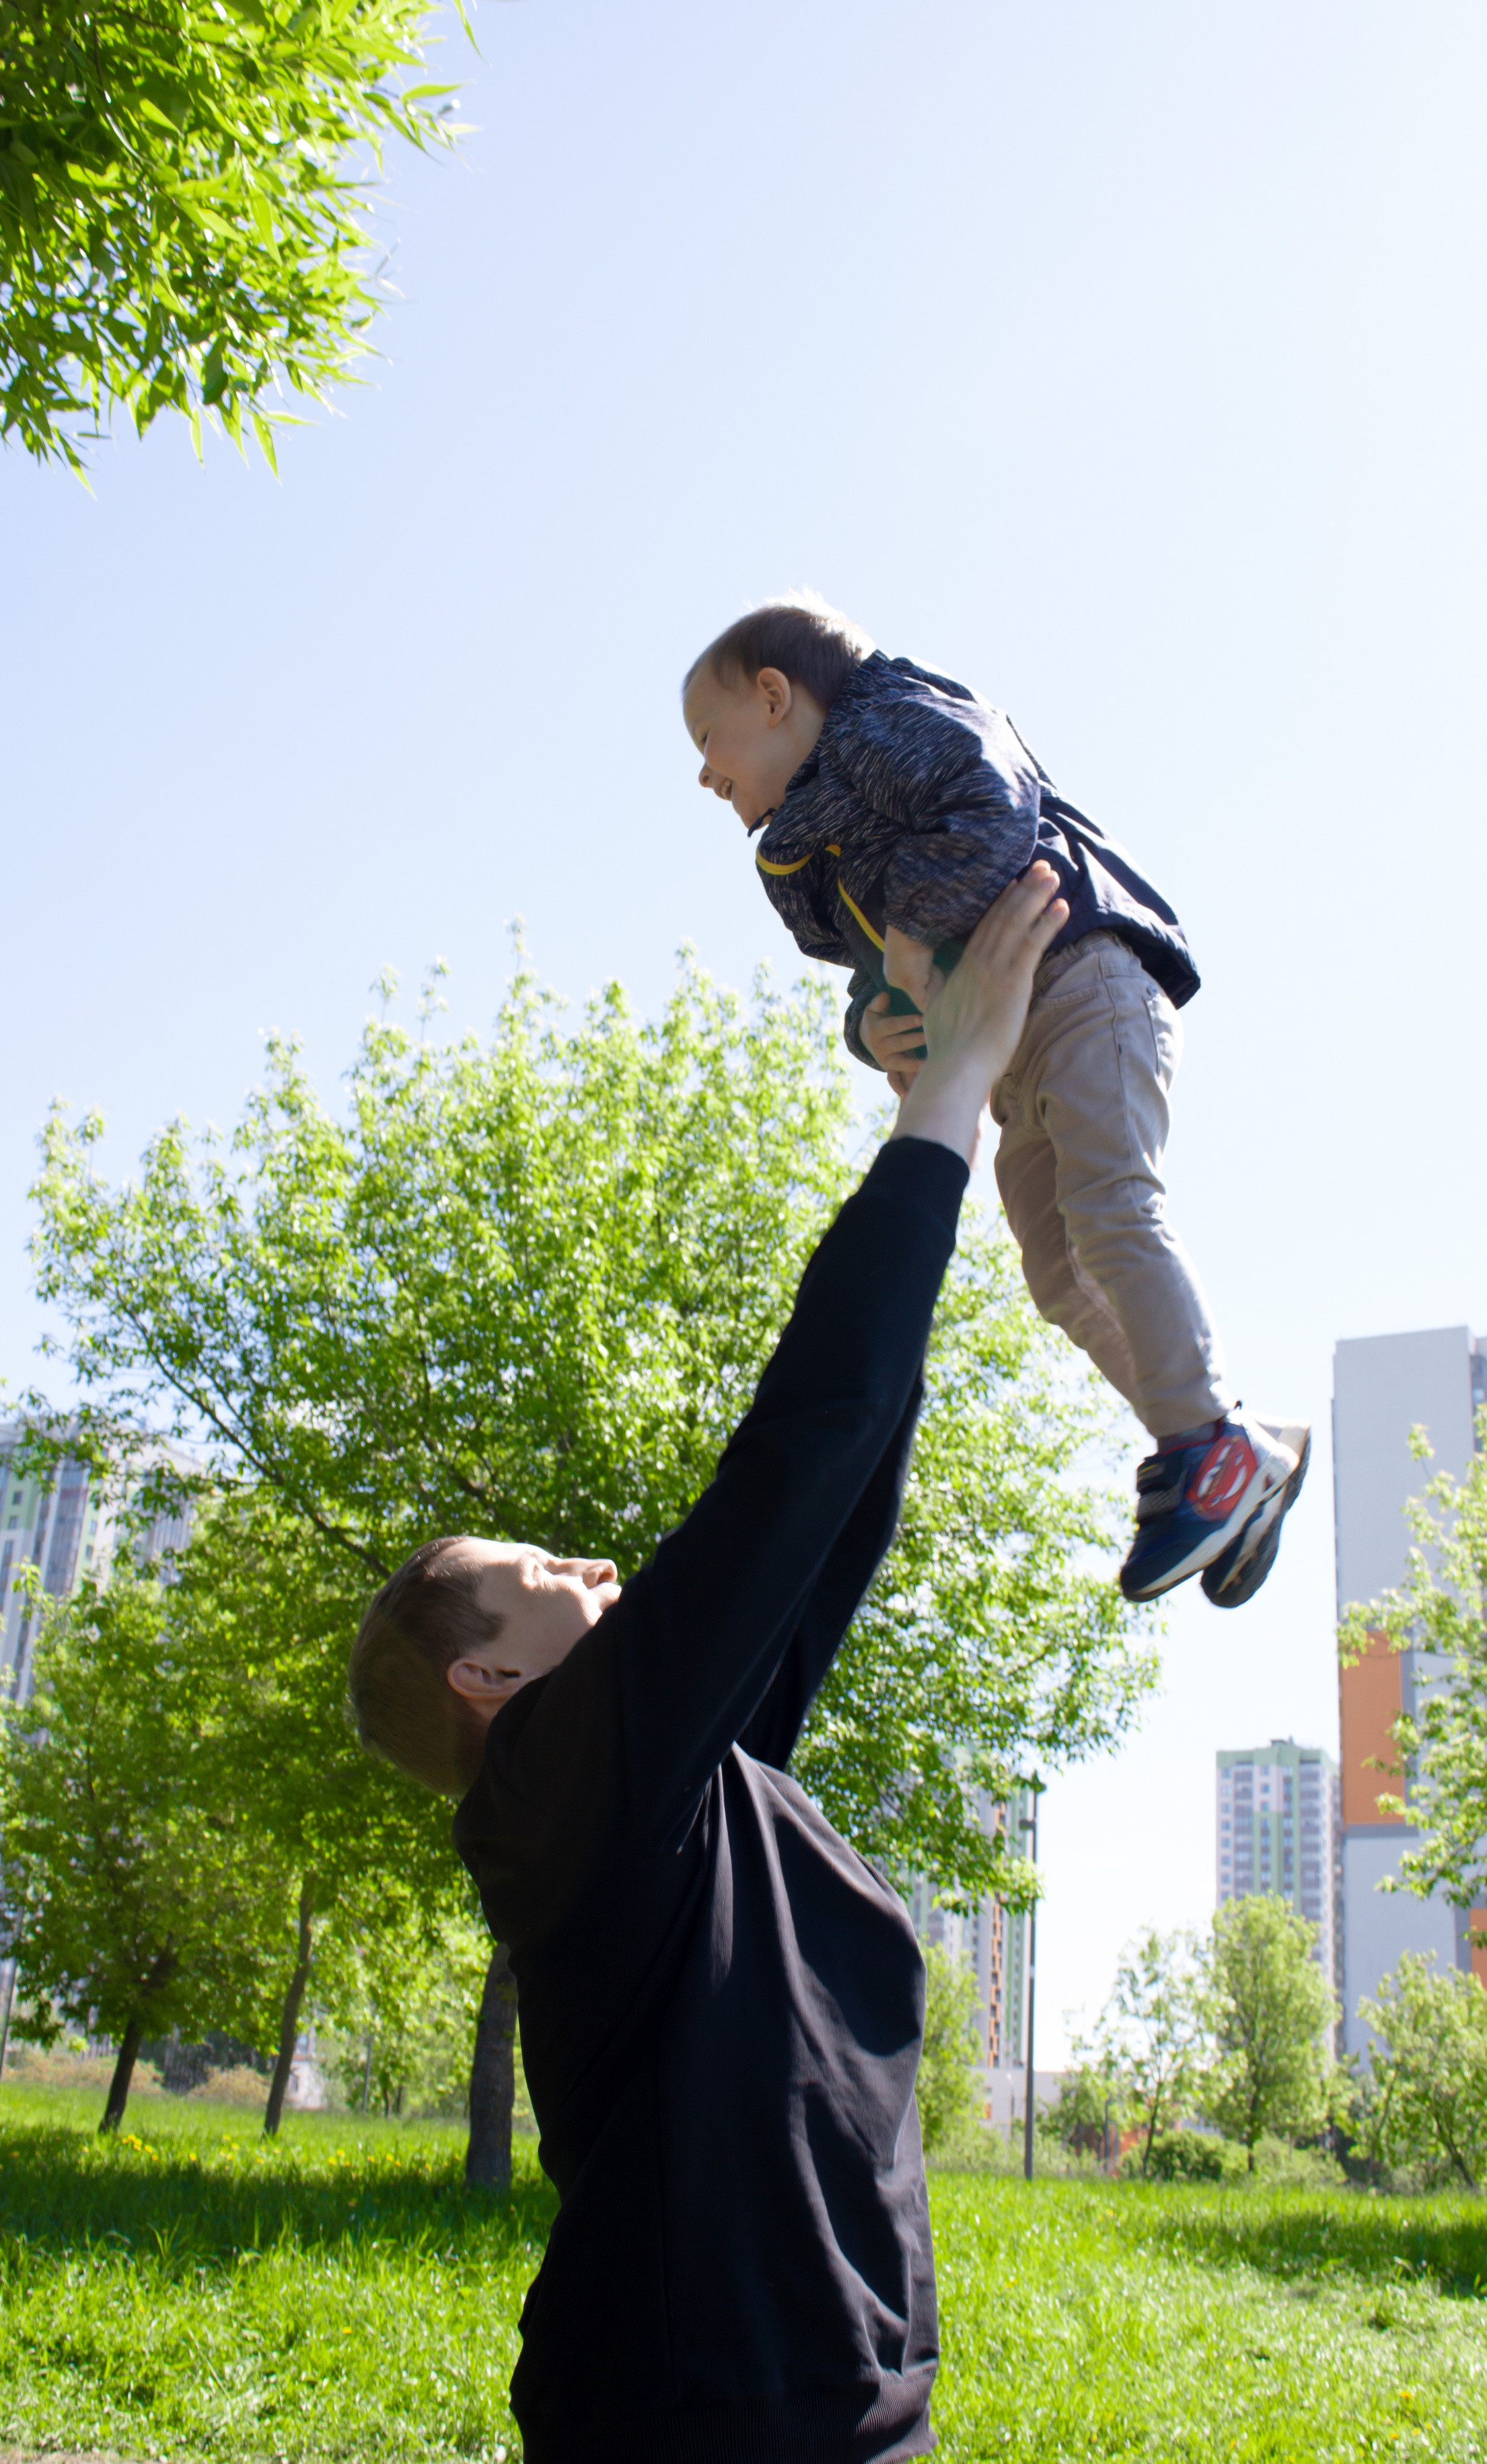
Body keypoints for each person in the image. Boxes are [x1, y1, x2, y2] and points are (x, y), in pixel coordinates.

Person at [349, 867, 1070, 2464]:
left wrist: (935, 1122)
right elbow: (783, 1469)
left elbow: (831, 1509)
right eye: (541, 1573)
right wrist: (942, 1099)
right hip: (699, 2425)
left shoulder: (667, 1791)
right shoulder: (556, 1794)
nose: (593, 1566)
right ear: (484, 1682)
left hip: (825, 2406)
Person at [681, 594, 1307, 1607]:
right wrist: (874, 1025)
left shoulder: (884, 721)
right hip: (1014, 1053)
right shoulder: (812, 845)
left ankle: (1209, 1449)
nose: (705, 774)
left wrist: (914, 936)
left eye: (711, 742)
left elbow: (991, 800)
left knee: (1111, 1206)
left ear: (775, 696)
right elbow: (869, 966)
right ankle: (1229, 1448)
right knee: (1058, 1272)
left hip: (1080, 979)